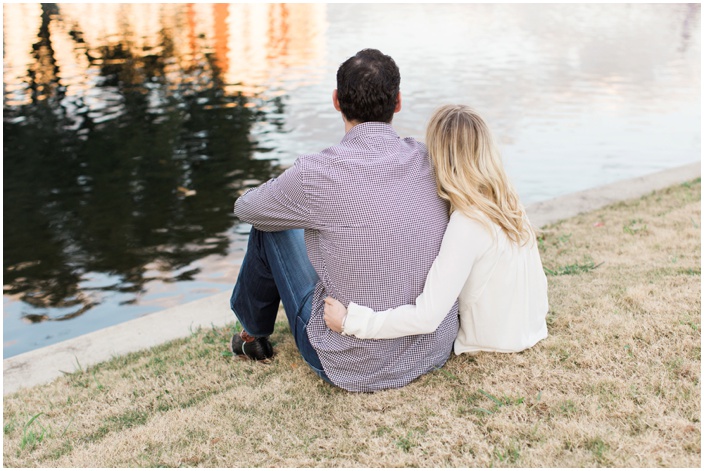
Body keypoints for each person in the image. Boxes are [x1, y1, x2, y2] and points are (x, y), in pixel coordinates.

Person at [228, 49, 459, 392]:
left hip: (352, 362)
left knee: (268, 228)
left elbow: (246, 209)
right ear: (397, 103)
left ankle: (253, 336)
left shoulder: (317, 173)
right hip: (433, 348)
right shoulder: (431, 159)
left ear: (336, 101)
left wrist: (285, 192)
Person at [323, 105, 549, 355]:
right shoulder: (505, 199)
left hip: (494, 345)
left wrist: (351, 321)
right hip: (531, 330)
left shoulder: (469, 221)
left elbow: (426, 318)